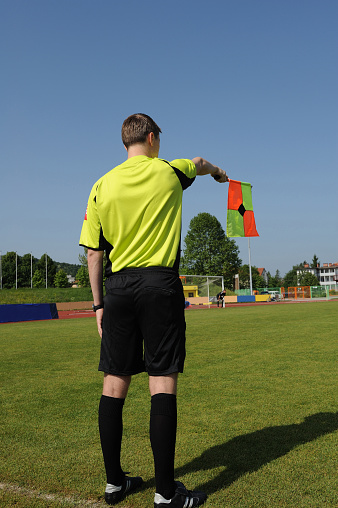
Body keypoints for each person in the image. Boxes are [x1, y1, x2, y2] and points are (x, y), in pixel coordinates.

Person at [79, 113, 228, 507]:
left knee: (114, 384)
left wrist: (98, 304)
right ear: (151, 137)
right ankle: (165, 494)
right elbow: (197, 163)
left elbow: (94, 252)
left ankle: (115, 483)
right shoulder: (168, 170)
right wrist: (216, 172)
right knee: (162, 381)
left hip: (118, 289)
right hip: (160, 285)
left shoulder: (100, 185)